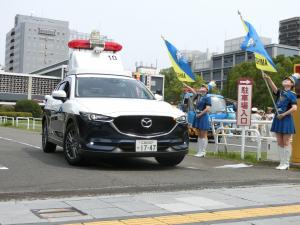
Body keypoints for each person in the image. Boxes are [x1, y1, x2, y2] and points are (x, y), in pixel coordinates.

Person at [263, 74, 298, 170]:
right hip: (278, 118)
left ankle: (286, 163)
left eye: (288, 80)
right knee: (279, 141)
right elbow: (273, 88)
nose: (285, 80)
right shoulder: (280, 92)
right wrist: (268, 78)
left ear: (292, 84)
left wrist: (284, 114)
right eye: (285, 79)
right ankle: (281, 162)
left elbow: (295, 108)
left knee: (286, 142)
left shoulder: (292, 94)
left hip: (286, 119)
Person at [183, 83, 212, 157]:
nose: (201, 88)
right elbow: (193, 91)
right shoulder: (199, 96)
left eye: (203, 87)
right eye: (201, 86)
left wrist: (200, 114)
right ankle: (199, 151)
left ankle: (203, 152)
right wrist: (187, 86)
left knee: (203, 135)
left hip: (203, 116)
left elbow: (208, 108)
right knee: (199, 134)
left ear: (206, 90)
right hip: (198, 115)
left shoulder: (207, 97)